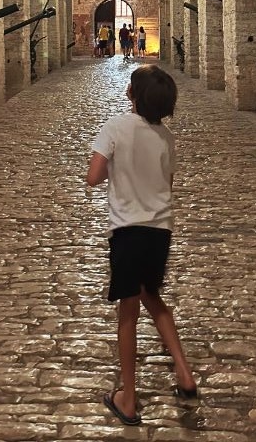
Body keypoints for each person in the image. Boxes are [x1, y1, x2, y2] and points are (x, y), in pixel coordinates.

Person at [86, 65, 198, 426]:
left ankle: (129, 399)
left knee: (128, 316)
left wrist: (114, 167)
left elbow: (93, 176)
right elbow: (167, 181)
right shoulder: (166, 137)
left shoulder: (116, 127)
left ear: (132, 96)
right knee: (154, 297)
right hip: (159, 230)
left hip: (129, 230)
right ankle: (184, 374)